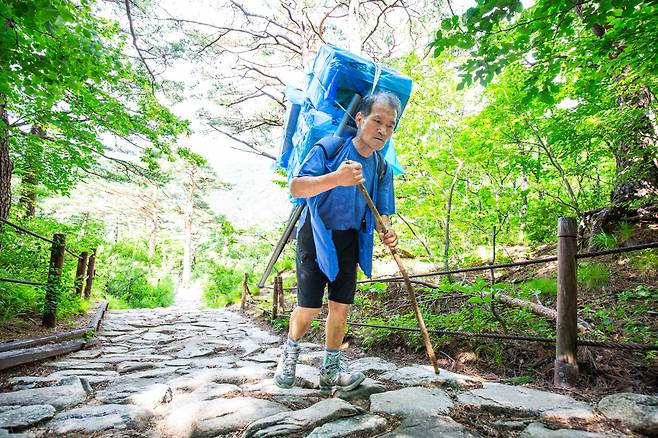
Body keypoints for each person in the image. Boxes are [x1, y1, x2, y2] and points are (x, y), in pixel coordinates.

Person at [274, 92, 401, 392]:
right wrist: (337, 178)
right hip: (316, 235)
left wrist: (388, 231)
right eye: (377, 121)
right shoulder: (330, 147)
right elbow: (297, 186)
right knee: (309, 309)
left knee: (341, 308)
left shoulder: (382, 167)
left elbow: (383, 212)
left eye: (390, 125)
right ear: (360, 119)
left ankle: (330, 370)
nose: (383, 130)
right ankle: (289, 354)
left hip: (352, 239)